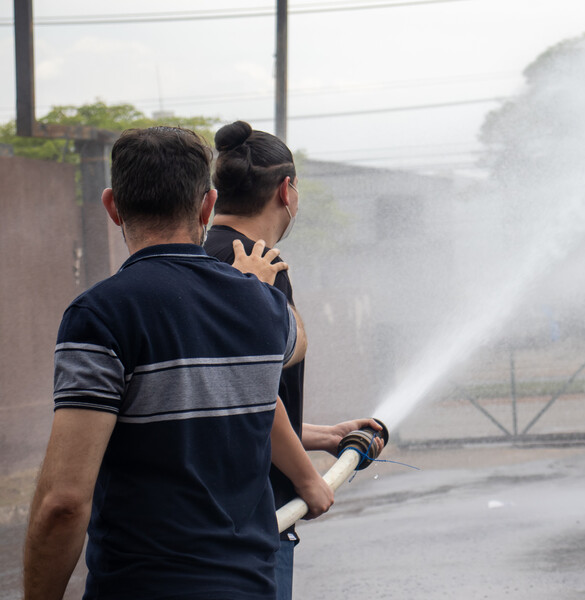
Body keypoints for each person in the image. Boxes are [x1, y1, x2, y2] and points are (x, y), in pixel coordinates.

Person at [23, 126, 332, 600]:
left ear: (112, 206)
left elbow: (63, 502)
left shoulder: (100, 315)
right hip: (250, 586)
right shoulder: (262, 305)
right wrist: (253, 289)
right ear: (207, 205)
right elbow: (293, 348)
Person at [204, 121, 381, 600]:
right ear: (286, 190)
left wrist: (322, 435)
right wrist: (308, 480)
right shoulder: (260, 268)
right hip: (255, 517)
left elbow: (218, 399)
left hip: (206, 513)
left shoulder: (200, 257)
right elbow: (251, 388)